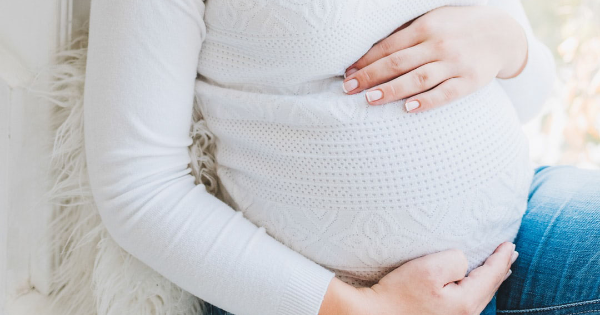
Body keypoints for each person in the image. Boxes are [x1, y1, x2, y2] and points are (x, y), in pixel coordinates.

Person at [83, 0, 600, 314]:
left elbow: (528, 97)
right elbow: (138, 189)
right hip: (316, 294)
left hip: (515, 234)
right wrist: (356, 311)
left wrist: (509, 44)